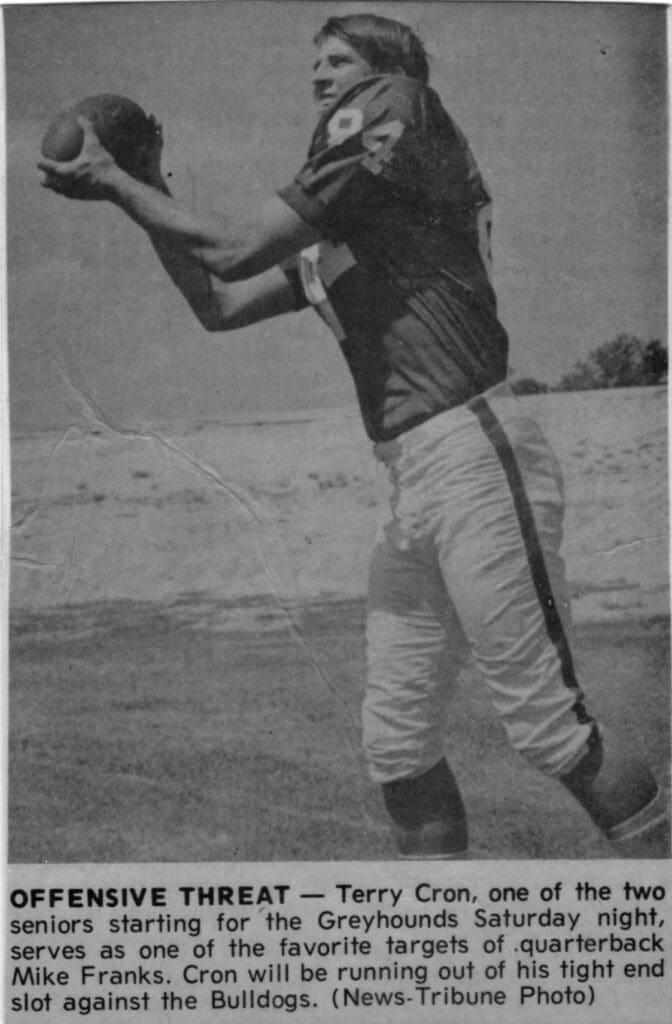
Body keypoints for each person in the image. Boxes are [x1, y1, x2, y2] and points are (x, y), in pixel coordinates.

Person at [39, 13, 668, 859]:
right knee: (398, 742)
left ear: (388, 72)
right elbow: (217, 304)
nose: (319, 77)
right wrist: (147, 188)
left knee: (550, 727)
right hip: (413, 476)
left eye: (338, 61)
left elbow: (228, 252)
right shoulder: (364, 222)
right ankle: (431, 956)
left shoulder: (400, 100)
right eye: (316, 63)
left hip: (474, 444)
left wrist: (120, 182)